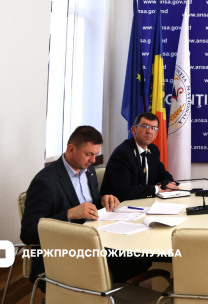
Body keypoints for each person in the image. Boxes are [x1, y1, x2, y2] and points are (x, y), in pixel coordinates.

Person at [20, 126, 148, 288]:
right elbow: (28, 233)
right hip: (64, 253)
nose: (93, 160)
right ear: (71, 149)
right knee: (134, 260)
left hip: (95, 240)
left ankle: (116, 294)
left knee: (140, 257)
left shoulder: (88, 170)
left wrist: (103, 200)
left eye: (96, 154)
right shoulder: (45, 182)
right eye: (89, 154)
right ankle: (106, 295)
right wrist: (69, 214)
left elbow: (89, 202)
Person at [101, 112, 178, 201]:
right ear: (134, 130)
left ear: (156, 133)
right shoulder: (122, 153)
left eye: (154, 128)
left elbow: (163, 174)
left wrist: (170, 184)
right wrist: (156, 189)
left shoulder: (153, 150)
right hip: (119, 205)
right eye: (145, 126)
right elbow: (124, 192)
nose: (149, 131)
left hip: (144, 202)